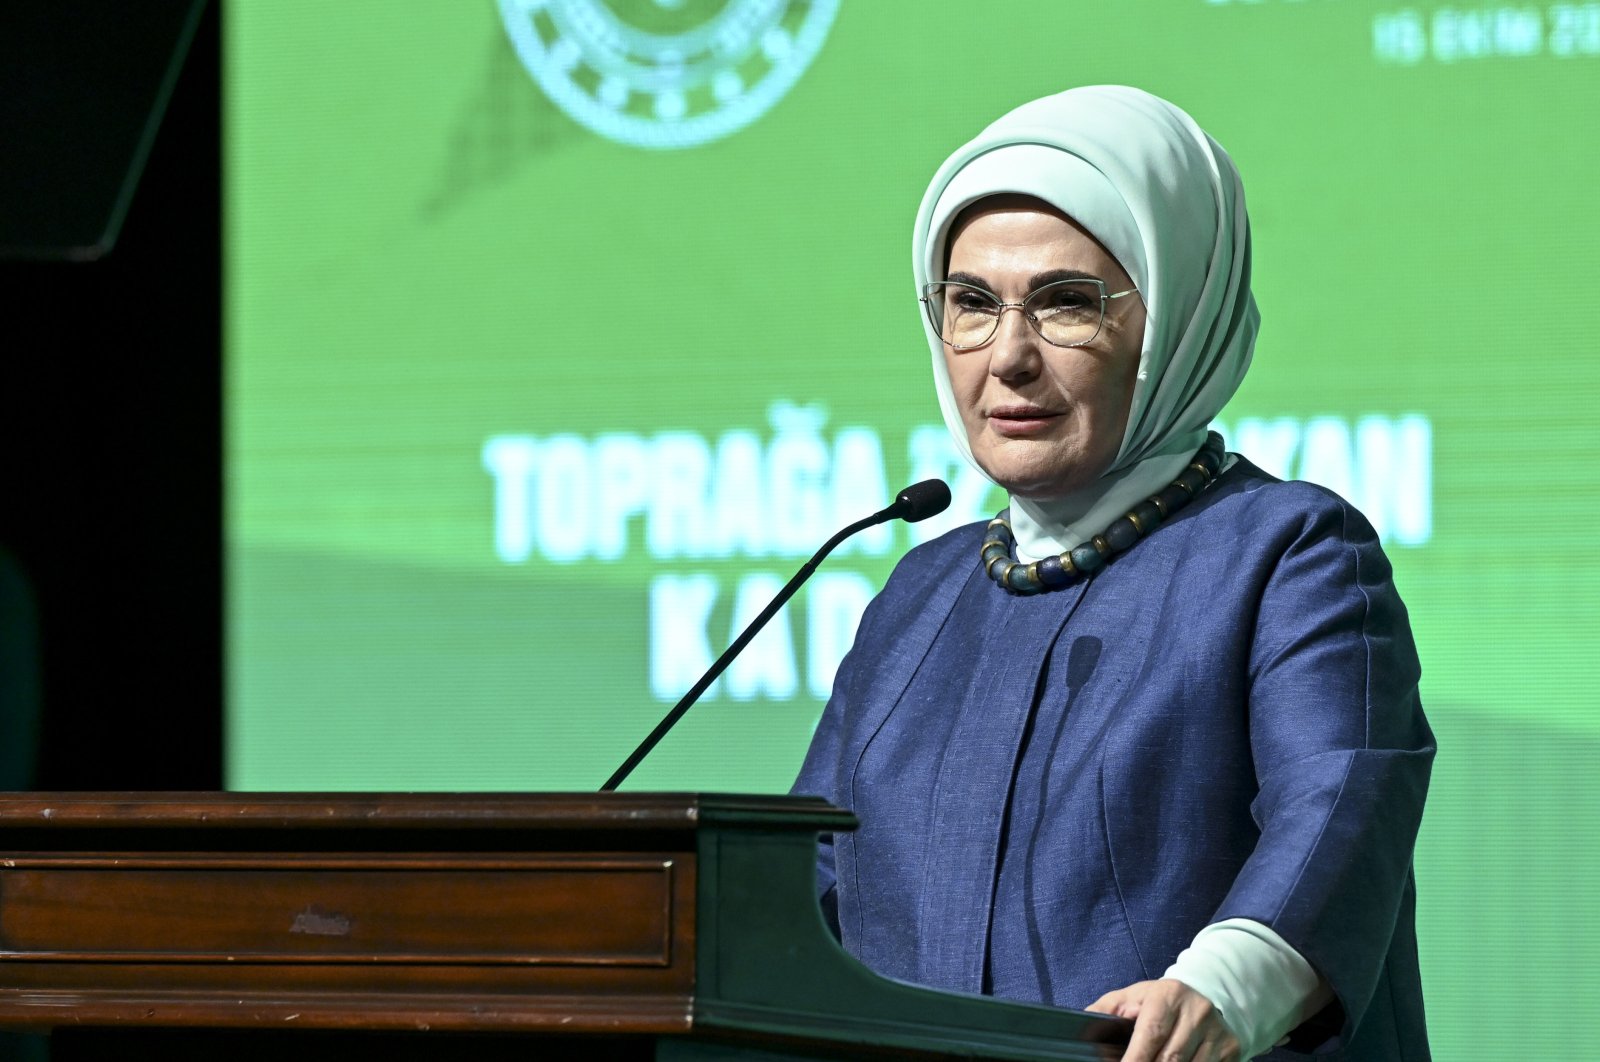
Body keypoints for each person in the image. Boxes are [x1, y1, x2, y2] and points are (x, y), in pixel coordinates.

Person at [792, 86, 1434, 1062]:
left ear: (1177, 314)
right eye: (970, 305)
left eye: (1065, 303)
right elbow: (799, 893)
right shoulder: (915, 601)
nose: (1005, 358)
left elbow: (1338, 804)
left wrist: (1222, 987)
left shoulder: (1288, 554)